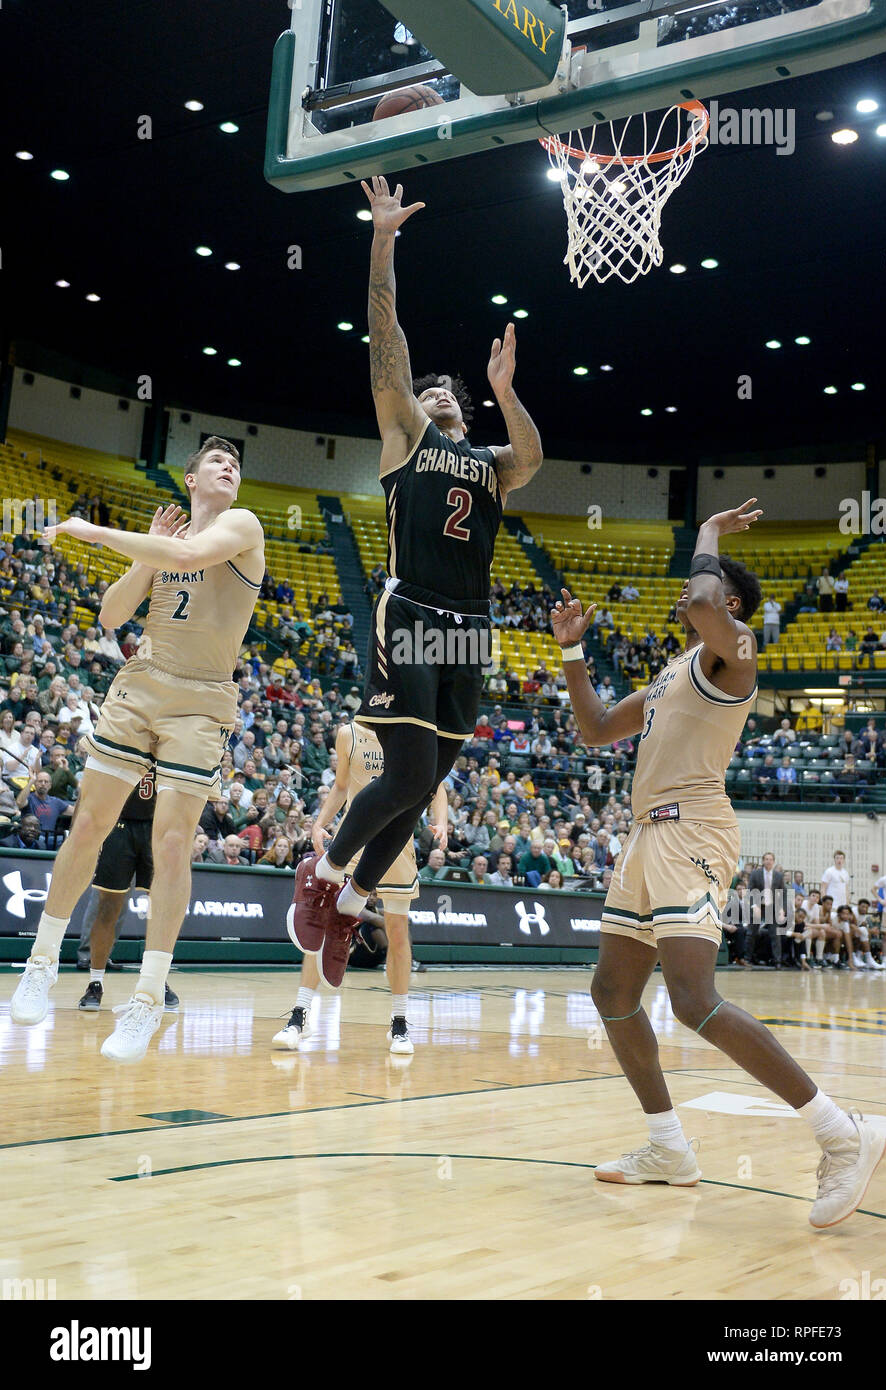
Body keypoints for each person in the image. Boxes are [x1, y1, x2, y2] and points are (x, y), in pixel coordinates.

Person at [550, 497, 885, 1229]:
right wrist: (573, 653)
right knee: (612, 988)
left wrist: (708, 529)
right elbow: (597, 728)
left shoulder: (734, 655)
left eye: (698, 590)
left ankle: (842, 1133)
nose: (683, 596)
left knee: (693, 999)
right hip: (645, 836)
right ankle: (668, 1146)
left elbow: (702, 593)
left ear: (729, 605)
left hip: (691, 830)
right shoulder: (678, 671)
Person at [293, 176, 542, 958]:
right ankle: (325, 872)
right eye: (425, 388)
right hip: (411, 609)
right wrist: (382, 237)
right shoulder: (406, 435)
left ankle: (354, 902)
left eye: (446, 391)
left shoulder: (489, 460)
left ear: (463, 410)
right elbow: (385, 335)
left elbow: (533, 455)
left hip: (470, 627)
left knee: (425, 781)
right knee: (403, 773)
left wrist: (503, 390)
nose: (433, 393)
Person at [11, 443, 264, 1063]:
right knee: (90, 823)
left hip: (201, 701)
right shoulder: (164, 541)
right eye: (215, 460)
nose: (228, 466)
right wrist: (143, 556)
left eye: (235, 462)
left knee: (173, 844)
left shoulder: (242, 526)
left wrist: (93, 532)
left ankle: (147, 997)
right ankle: (41, 961)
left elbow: (185, 554)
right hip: (142, 681)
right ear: (190, 478)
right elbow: (110, 615)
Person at [277, 718, 448, 1056]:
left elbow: (436, 784)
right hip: (354, 838)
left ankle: (399, 1023)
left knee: (398, 932)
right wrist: (320, 823)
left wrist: (440, 821)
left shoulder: (410, 731)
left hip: (399, 844)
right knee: (322, 924)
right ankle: (300, 1015)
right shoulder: (348, 734)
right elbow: (341, 787)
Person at [76, 767, 179, 1012]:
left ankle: (156, 980)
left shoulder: (171, 738)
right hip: (118, 825)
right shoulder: (125, 733)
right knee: (108, 907)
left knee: (160, 910)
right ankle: (95, 982)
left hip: (158, 827)